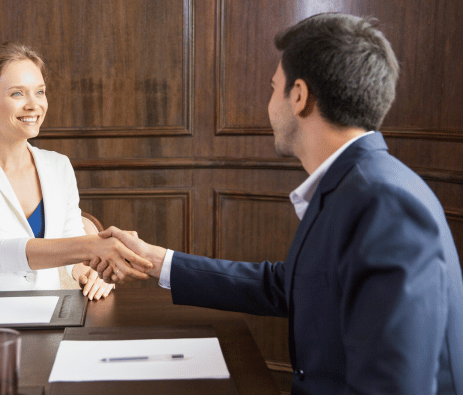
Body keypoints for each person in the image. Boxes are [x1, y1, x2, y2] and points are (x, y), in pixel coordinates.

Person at [87, 13, 463, 394]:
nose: (269, 104)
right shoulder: (357, 185)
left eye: (273, 88)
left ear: (299, 96)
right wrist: (154, 259)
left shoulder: (384, 204)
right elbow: (289, 285)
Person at [0, 42, 151, 299]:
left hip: (49, 315)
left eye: (40, 92)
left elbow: (71, 245)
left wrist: (92, 273)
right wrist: (94, 246)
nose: (33, 105)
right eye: (17, 94)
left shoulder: (58, 166)